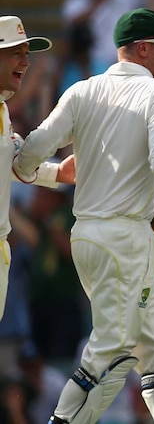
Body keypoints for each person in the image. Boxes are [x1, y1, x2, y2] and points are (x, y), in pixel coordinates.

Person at [13, 7, 154, 424]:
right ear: (144, 49)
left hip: (90, 237)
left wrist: (47, 173)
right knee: (115, 349)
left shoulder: (81, 91)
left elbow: (29, 154)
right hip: (124, 239)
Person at [0, 16, 76, 321]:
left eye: (27, 53)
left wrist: (57, 173)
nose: (26, 62)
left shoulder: (2, 110)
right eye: (16, 53)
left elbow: (11, 159)